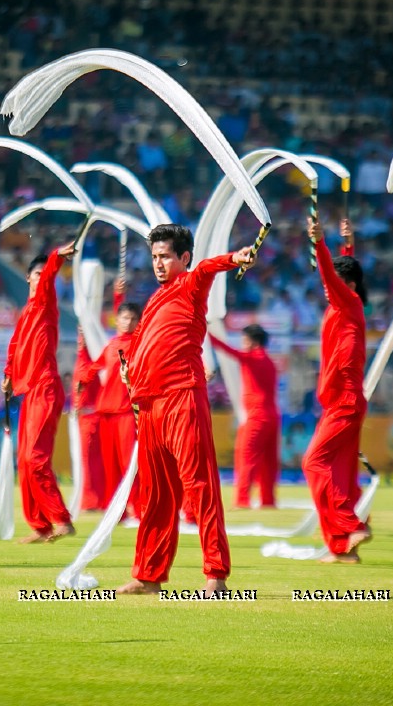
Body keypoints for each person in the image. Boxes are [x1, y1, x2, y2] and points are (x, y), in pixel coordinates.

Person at [117, 224, 255, 595]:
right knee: (155, 495)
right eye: (155, 256)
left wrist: (234, 259)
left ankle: (216, 574)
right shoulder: (155, 299)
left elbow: (209, 268)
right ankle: (148, 576)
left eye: (165, 256)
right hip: (150, 406)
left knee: (200, 486)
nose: (159, 263)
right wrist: (130, 366)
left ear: (184, 258)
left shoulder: (190, 285)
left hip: (181, 398)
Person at [303, 217, 372, 563]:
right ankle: (343, 547)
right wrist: (348, 245)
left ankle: (352, 524)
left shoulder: (348, 302)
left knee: (313, 462)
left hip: (344, 401)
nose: (329, 289)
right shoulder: (344, 306)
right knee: (340, 476)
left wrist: (320, 243)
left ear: (351, 285)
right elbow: (341, 276)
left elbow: (334, 278)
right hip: (341, 401)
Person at [2, 243, 77, 543]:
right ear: (27, 277)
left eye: (42, 273)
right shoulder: (26, 312)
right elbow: (15, 344)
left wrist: (57, 256)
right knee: (24, 460)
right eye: (35, 273)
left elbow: (49, 275)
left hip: (45, 387)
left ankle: (60, 519)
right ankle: (40, 525)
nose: (39, 277)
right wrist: (8, 375)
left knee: (35, 457)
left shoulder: (46, 300)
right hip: (29, 390)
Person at [77, 283, 140, 514]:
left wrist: (117, 296)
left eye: (132, 318)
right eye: (124, 318)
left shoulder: (140, 344)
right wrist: (83, 378)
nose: (127, 322)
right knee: (109, 465)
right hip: (106, 413)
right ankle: (116, 509)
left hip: (126, 413)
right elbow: (96, 366)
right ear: (117, 320)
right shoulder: (113, 344)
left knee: (128, 464)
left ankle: (138, 506)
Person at [209, 324, 279, 509]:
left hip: (256, 416)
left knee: (245, 458)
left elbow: (227, 350)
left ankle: (242, 499)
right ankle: (268, 500)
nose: (242, 343)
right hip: (272, 416)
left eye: (244, 340)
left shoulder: (253, 359)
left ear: (253, 342)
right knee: (268, 463)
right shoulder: (270, 362)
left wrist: (208, 334)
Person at [72, 330, 104, 512]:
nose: (80, 340)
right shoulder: (82, 359)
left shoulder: (93, 360)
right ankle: (91, 498)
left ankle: (93, 500)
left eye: (84, 336)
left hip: (91, 417)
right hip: (84, 416)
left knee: (91, 460)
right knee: (87, 460)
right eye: (79, 335)